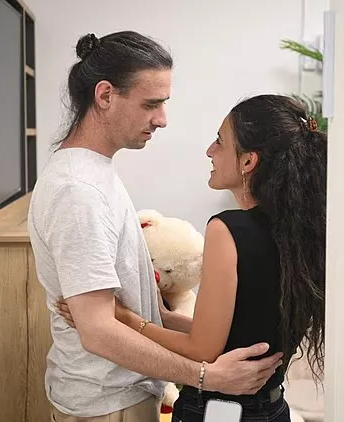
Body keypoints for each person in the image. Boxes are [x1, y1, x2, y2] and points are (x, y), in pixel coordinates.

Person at [27, 31, 283, 422]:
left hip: (123, 394)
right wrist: (206, 376)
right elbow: (97, 332)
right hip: (107, 403)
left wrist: (148, 319)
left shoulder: (95, 174)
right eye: (151, 104)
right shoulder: (78, 191)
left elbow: (122, 314)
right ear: (105, 95)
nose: (162, 119)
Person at [58, 94, 327, 421]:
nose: (210, 151)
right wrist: (163, 316)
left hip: (219, 412)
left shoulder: (227, 229)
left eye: (220, 141)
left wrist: (127, 319)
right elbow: (237, 333)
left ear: (248, 162)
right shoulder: (300, 232)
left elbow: (204, 350)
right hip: (272, 409)